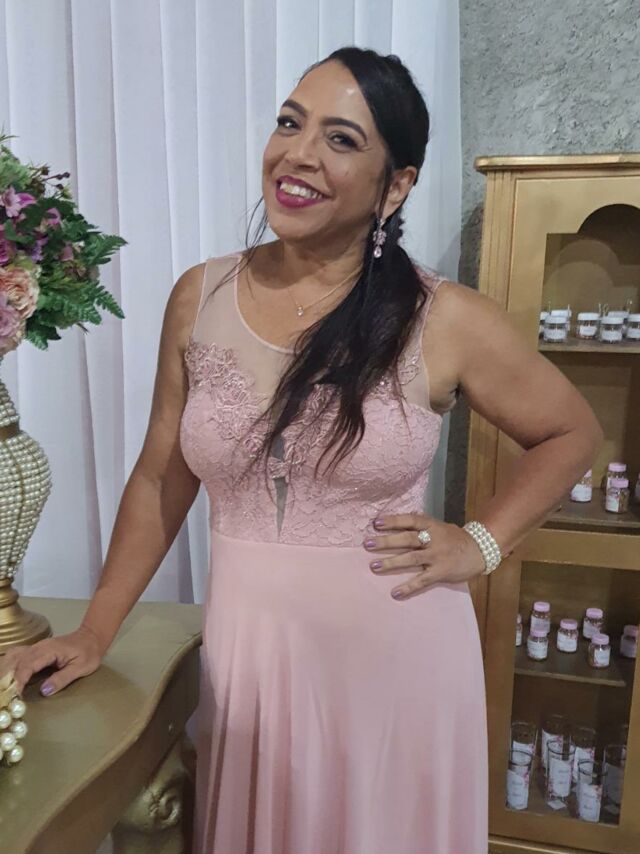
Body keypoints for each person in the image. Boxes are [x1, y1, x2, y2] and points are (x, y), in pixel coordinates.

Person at [2, 47, 603, 854]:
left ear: (396, 185)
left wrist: (481, 543)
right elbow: (160, 477)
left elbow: (571, 433)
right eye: (291, 123)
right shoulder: (200, 296)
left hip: (394, 659)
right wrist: (96, 630)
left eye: (341, 139)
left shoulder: (445, 318)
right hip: (251, 657)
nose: (299, 153)